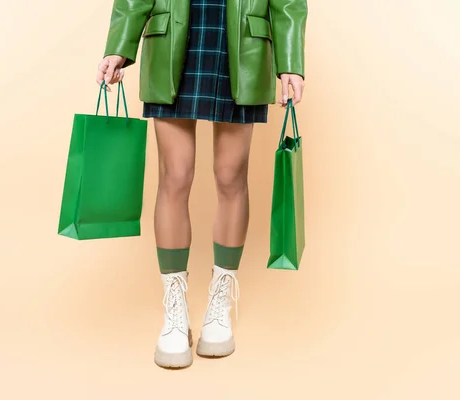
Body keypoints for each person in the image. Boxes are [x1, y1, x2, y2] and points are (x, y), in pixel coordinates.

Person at [96, 0, 307, 368]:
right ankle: (175, 312)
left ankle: (219, 304)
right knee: (174, 177)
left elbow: (289, 3)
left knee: (231, 176)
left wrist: (291, 62)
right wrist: (119, 46)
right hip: (172, 41)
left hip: (242, 45)